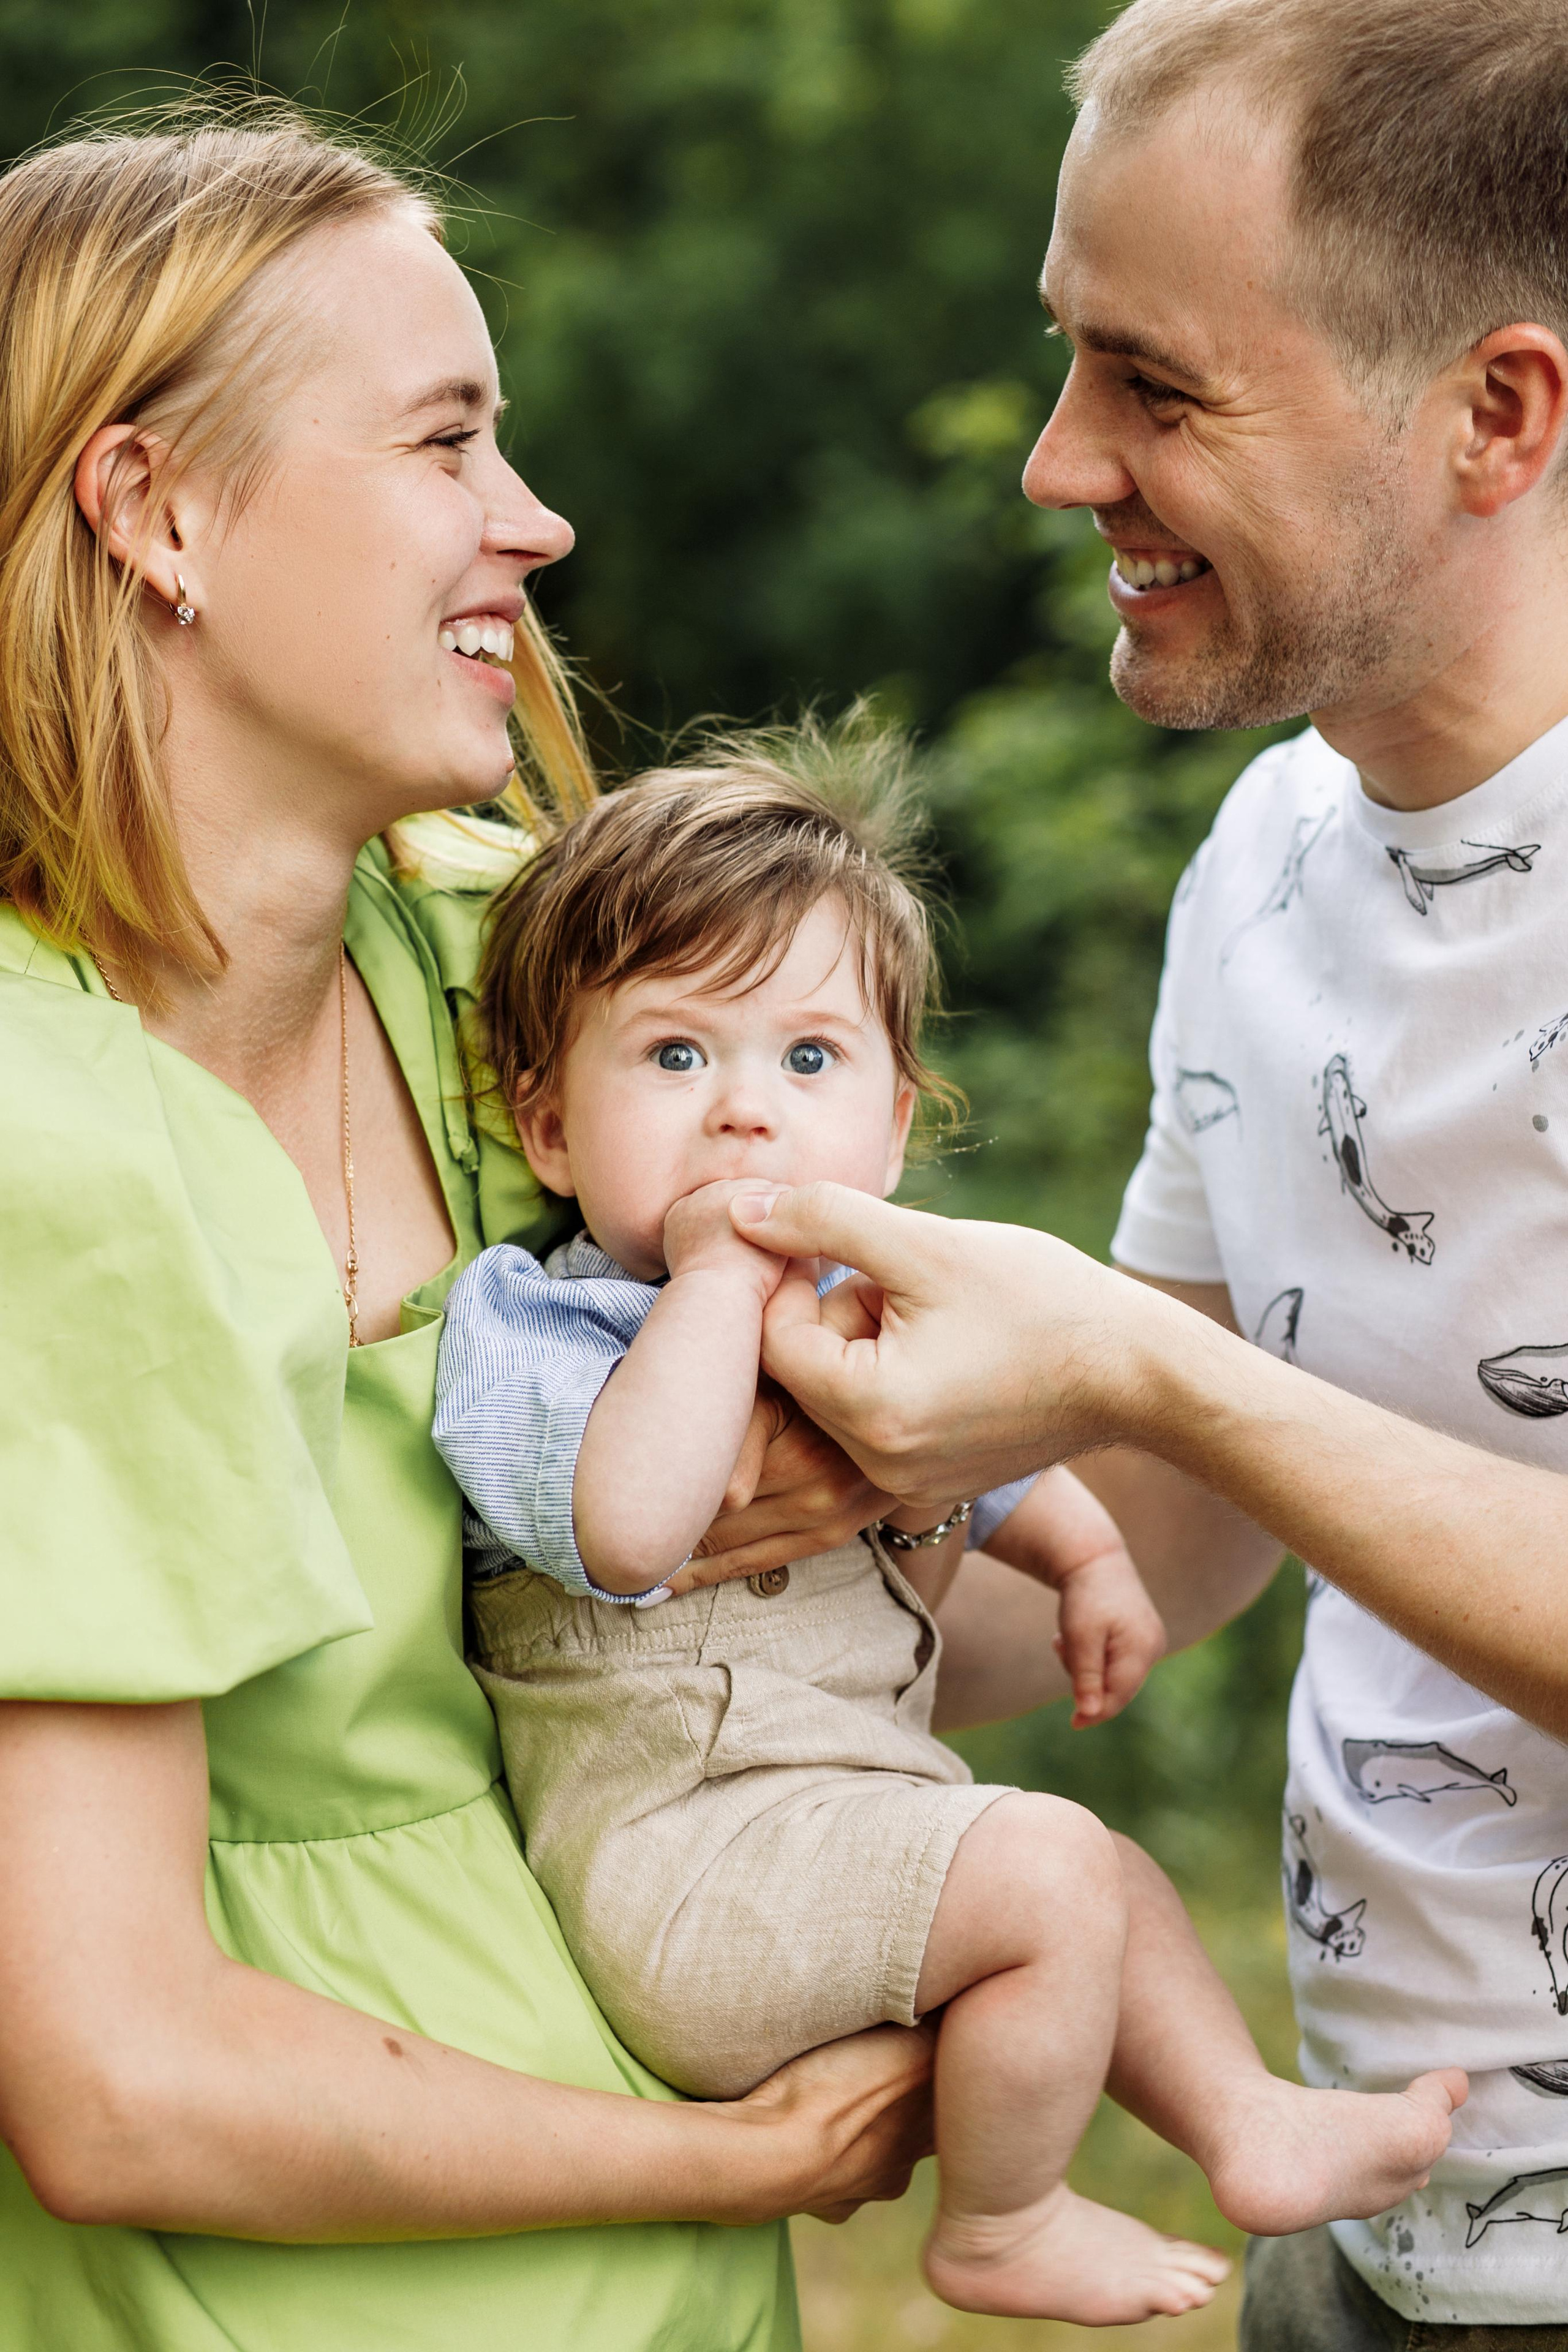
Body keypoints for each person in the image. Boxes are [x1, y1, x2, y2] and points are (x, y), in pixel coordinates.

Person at [0, 109, 938, 2352]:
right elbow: (117, 2084)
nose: (537, 522)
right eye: (448, 442)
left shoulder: (529, 974)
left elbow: (850, 1576)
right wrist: (733, 2156)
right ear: (157, 513)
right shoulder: (45, 1146)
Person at [723, 0, 1568, 2342]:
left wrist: (1138, 1377)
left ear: (1498, 413)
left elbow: (1186, 1415)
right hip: (1370, 2219)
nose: (1053, 462)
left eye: (1156, 387)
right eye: (1066, 358)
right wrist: (705, 1586)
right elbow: (1167, 1543)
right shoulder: (1268, 855)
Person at [431, 738, 1462, 2326]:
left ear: (895, 1127)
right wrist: (713, 1289)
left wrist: (1090, 1556)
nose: (747, 1119)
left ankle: (1245, 2124)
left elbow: (989, 1464)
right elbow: (632, 1529)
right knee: (1047, 1861)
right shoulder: (544, 1325)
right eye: (678, 1059)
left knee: (1101, 1870)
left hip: (835, 1823)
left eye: (811, 1062)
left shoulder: (876, 1325)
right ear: (551, 1125)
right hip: (682, 1877)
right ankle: (1003, 2223)